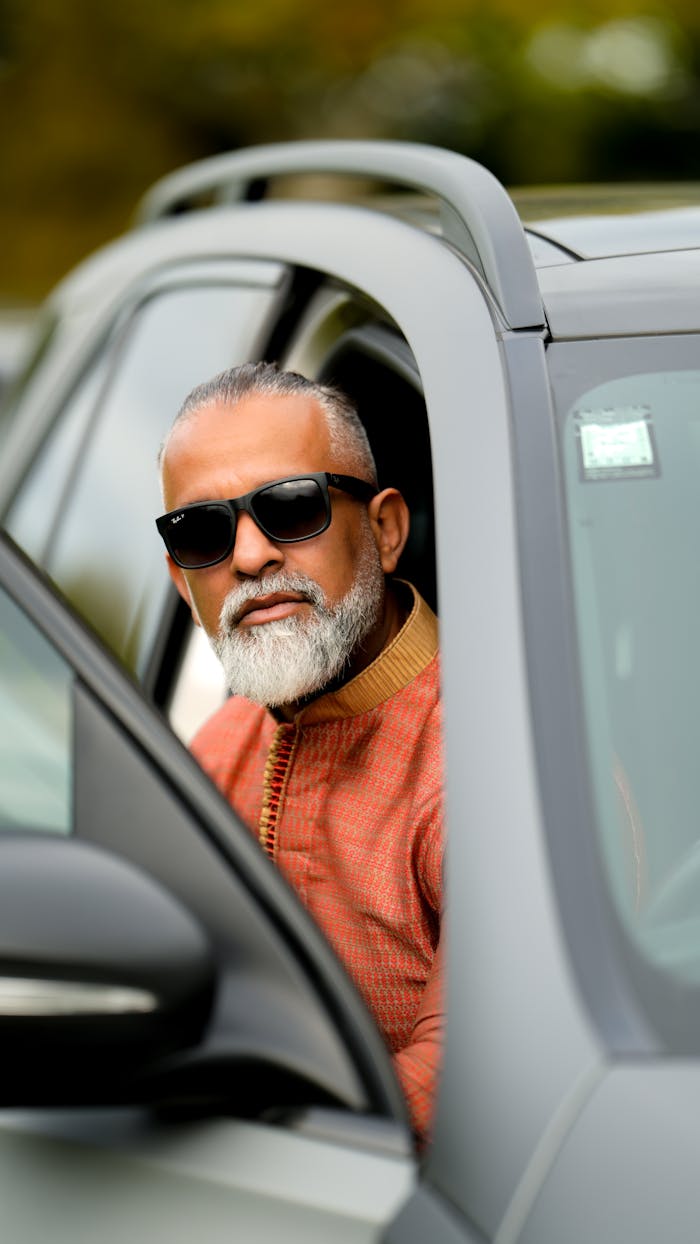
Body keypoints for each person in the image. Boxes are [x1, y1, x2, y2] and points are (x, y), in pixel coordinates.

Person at [156, 361, 443, 1142]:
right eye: (203, 532)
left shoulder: (499, 768)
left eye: (291, 508)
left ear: (384, 530)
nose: (248, 557)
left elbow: (474, 1079)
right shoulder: (218, 749)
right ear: (184, 584)